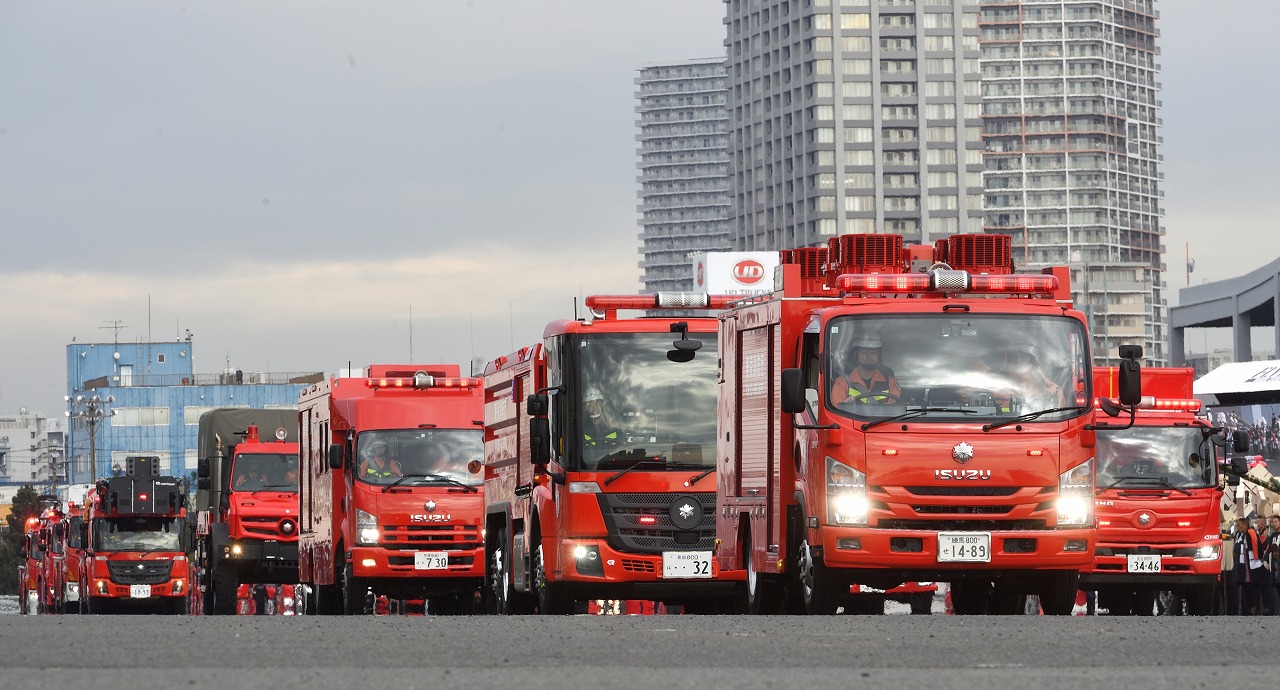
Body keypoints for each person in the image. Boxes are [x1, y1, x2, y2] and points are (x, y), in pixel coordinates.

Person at [989, 340, 1065, 412]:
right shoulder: (997, 390)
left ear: (1033, 363)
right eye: (1014, 358)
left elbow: (1062, 419)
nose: (1018, 360)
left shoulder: (1054, 391)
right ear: (1007, 362)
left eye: (1023, 358)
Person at [830, 335, 902, 405]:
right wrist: (847, 405)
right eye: (865, 352)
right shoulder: (842, 382)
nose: (869, 357)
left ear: (878, 356)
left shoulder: (891, 382)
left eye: (874, 353)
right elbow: (836, 409)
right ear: (856, 354)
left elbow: (895, 409)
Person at [1233, 516, 1267, 615]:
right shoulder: (1238, 534)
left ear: (1245, 524)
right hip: (1241, 565)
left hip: (1253, 564)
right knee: (1243, 586)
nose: (1238, 527)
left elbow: (1258, 547)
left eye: (1239, 525)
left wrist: (1259, 558)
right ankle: (1246, 608)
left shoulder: (1251, 533)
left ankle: (1254, 608)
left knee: (1253, 587)